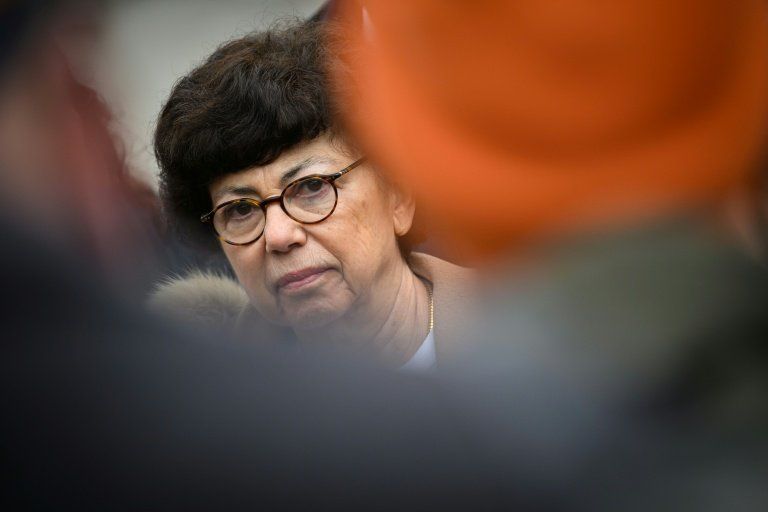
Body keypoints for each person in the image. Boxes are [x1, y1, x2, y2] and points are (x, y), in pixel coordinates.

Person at [152, 20, 474, 370]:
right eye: (240, 210)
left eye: (311, 186)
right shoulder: (205, 385)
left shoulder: (515, 335)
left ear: (398, 196)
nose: (278, 236)